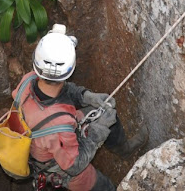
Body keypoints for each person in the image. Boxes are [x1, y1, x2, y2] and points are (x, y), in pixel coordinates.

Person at [12, 24, 148, 191]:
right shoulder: (60, 126)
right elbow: (75, 165)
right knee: (106, 187)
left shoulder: (29, 79)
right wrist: (99, 130)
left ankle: (124, 150)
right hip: (61, 168)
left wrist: (86, 96)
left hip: (44, 138)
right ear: (70, 68)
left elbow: (62, 88)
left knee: (103, 113)